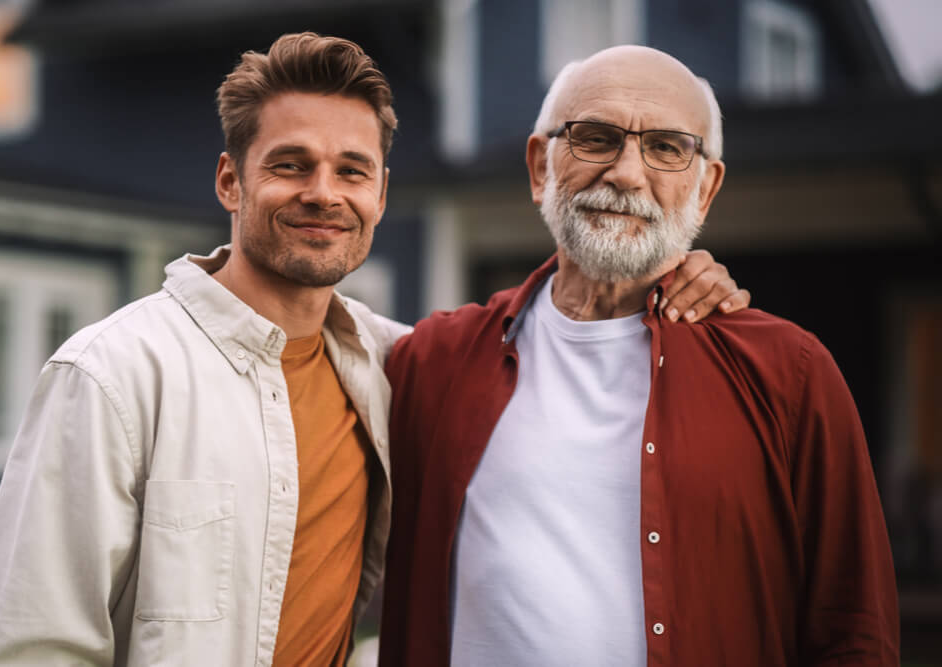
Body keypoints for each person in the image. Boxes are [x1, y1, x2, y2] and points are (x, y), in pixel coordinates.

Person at [0, 33, 746, 666]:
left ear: (379, 195)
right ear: (229, 182)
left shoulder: (395, 364)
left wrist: (669, 268)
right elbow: (38, 644)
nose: (323, 192)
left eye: (352, 170)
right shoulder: (113, 374)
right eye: (289, 164)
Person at [380, 45, 899, 667]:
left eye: (667, 148)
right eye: (595, 138)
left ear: (705, 187)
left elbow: (853, 631)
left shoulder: (789, 373)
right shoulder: (431, 360)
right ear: (540, 166)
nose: (627, 174)